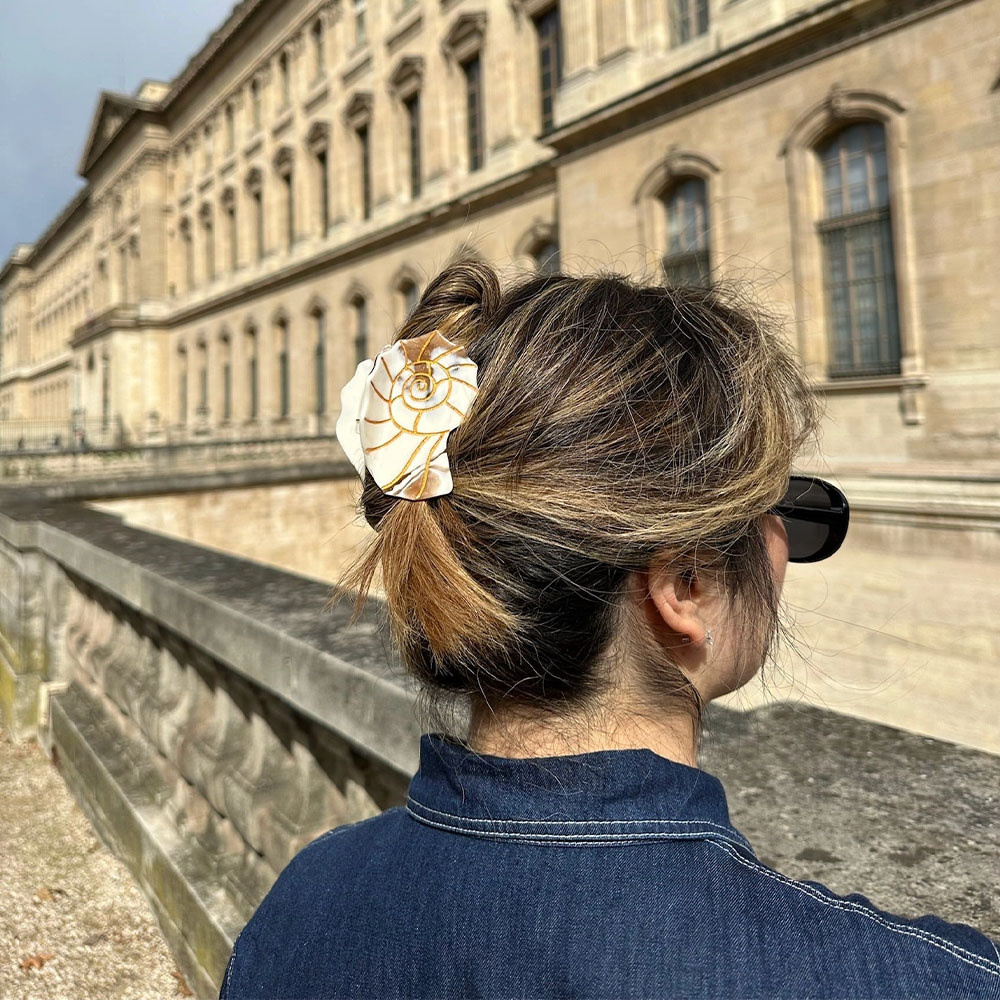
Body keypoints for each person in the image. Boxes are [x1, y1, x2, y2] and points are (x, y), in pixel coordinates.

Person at [220, 260, 1000, 999]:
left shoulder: (301, 902)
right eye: (778, 505)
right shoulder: (907, 978)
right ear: (685, 583)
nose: (785, 545)